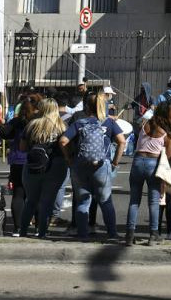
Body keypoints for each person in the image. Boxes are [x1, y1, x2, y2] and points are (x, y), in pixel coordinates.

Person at [60, 90, 126, 242]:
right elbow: (122, 141)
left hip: (80, 165)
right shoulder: (109, 123)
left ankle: (82, 234)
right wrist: (115, 162)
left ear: (87, 107)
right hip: (102, 165)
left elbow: (63, 141)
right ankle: (112, 233)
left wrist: (69, 158)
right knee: (105, 201)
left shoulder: (79, 123)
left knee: (83, 201)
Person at [17, 97, 68, 239]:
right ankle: (42, 232)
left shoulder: (32, 125)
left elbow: (22, 147)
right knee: (47, 201)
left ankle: (23, 231)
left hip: (33, 164)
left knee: (31, 201)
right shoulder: (62, 126)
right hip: (56, 165)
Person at [126, 101, 171, 246]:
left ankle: (129, 235)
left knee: (134, 200)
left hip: (137, 161)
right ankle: (153, 235)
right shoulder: (167, 135)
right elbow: (168, 157)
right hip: (153, 165)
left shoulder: (145, 125)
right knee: (154, 202)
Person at [1, 95, 34, 236]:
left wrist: (4, 124)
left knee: (18, 194)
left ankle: (18, 227)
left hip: (17, 160)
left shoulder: (16, 121)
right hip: (34, 160)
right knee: (35, 194)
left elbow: (4, 134)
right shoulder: (37, 122)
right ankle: (38, 227)